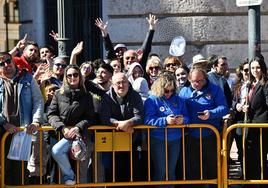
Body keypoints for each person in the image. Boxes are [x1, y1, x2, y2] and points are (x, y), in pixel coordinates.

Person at [179, 67, 228, 188]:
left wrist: (211, 113)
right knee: (193, 168)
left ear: (205, 78)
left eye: (200, 81)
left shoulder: (214, 90)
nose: (197, 84)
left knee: (212, 167)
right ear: (189, 79)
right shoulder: (184, 92)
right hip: (190, 136)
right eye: (194, 81)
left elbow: (224, 108)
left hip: (210, 135)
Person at [0, 52, 44, 185]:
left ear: (13, 61)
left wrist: (36, 121)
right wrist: (4, 124)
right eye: (2, 63)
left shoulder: (27, 78)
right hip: (2, 131)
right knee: (3, 169)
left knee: (20, 172)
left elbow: (38, 101)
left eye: (8, 61)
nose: (6, 65)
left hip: (22, 131)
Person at [47, 64, 95, 185]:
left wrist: (78, 127)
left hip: (80, 136)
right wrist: (62, 128)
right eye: (69, 75)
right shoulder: (58, 93)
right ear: (65, 77)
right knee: (56, 153)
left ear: (79, 76)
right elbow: (51, 114)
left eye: (75, 75)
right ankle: (69, 176)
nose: (72, 77)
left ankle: (71, 177)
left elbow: (90, 117)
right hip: (62, 134)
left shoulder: (87, 95)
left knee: (81, 171)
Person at [144, 72, 189, 188]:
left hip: (175, 139)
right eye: (166, 91)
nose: (169, 94)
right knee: (161, 171)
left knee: (171, 172)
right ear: (160, 88)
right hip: (158, 139)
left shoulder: (179, 100)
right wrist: (165, 120)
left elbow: (188, 117)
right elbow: (148, 119)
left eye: (172, 90)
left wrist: (182, 120)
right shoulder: (152, 100)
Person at [99, 72, 144, 182]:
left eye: (124, 82)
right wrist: (120, 124)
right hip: (113, 141)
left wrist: (127, 123)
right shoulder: (106, 97)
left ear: (128, 83)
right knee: (114, 172)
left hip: (133, 139)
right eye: (118, 83)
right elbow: (104, 118)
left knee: (134, 170)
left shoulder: (135, 96)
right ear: (112, 85)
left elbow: (139, 117)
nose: (121, 85)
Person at [243, 56, 268, 188]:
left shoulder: (266, 84)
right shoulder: (251, 84)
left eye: (257, 67)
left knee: (260, 157)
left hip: (261, 126)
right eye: (252, 68)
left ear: (262, 68)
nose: (255, 70)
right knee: (252, 156)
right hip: (250, 125)